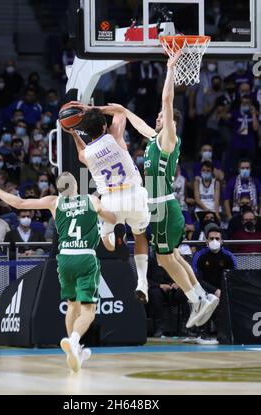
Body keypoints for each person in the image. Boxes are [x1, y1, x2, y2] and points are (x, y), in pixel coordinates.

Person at [113, 51, 219, 328]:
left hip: (163, 206)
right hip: (161, 207)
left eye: (162, 117)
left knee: (163, 258)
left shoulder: (168, 139)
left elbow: (167, 100)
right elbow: (141, 126)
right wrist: (123, 112)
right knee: (170, 256)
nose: (159, 118)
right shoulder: (154, 140)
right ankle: (202, 297)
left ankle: (197, 298)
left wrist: (171, 69)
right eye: (159, 118)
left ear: (171, 123)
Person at [0, 172, 116, 372]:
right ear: (76, 186)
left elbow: (19, 203)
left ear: (59, 189)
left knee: (72, 305)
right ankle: (75, 339)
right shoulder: (91, 200)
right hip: (85, 256)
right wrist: (108, 217)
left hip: (65, 258)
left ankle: (74, 351)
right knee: (88, 310)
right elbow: (111, 217)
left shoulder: (54, 202)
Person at [62, 105, 151, 304]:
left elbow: (80, 153)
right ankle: (142, 282)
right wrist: (91, 108)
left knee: (107, 244)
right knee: (140, 236)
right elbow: (120, 112)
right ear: (104, 125)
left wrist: (74, 133)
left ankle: (116, 236)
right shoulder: (115, 137)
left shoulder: (87, 154)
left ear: (85, 130)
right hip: (134, 193)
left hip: (110, 199)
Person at [192, 224, 237, 343]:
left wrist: (223, 291)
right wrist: (214, 291)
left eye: (217, 239)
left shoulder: (229, 257)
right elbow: (196, 280)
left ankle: (224, 332)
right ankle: (202, 333)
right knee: (204, 299)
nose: (214, 241)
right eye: (211, 238)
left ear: (222, 241)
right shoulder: (199, 256)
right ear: (206, 241)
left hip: (224, 292)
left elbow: (234, 279)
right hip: (204, 291)